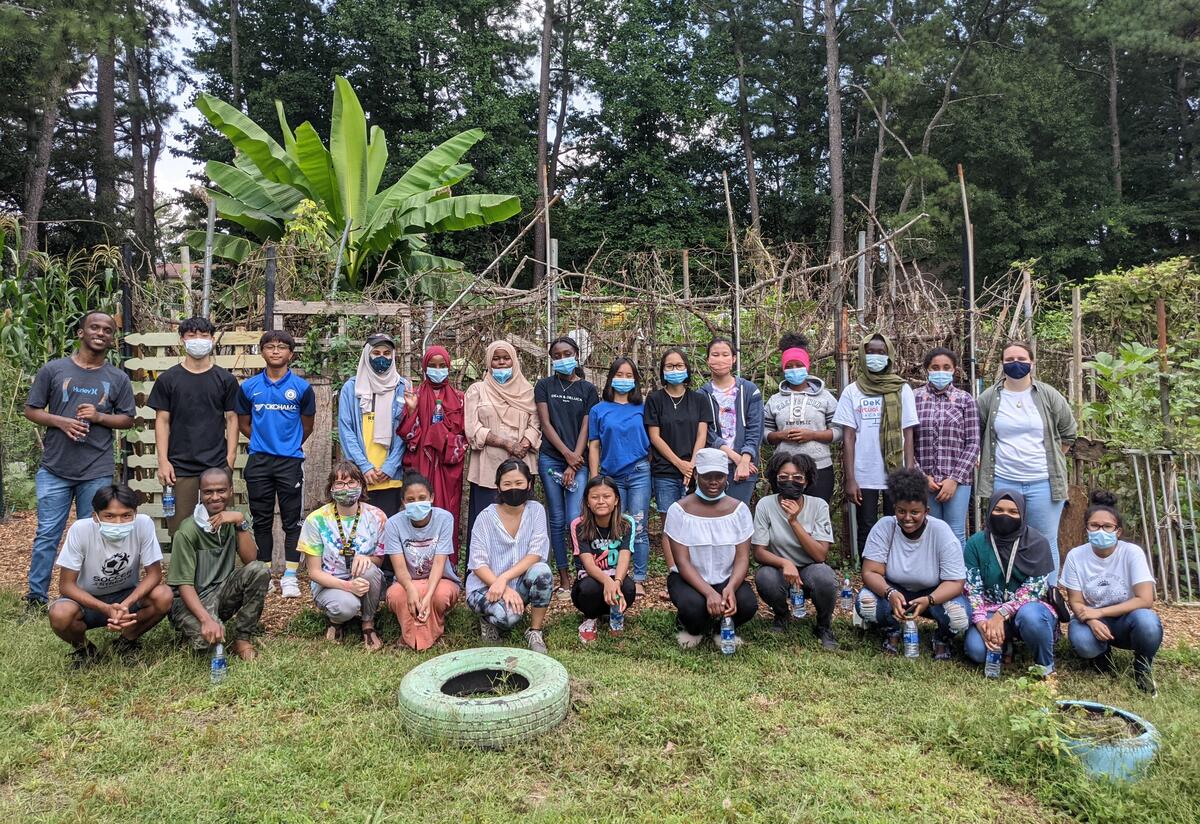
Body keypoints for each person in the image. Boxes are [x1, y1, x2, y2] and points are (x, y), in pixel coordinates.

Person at [23, 310, 135, 613]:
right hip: (55, 469)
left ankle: (86, 598)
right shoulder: (54, 370)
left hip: (96, 470)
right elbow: (31, 410)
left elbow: (127, 419)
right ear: (81, 333)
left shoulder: (117, 378)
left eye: (107, 330)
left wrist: (99, 417)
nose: (100, 333)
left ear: (112, 339)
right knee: (48, 533)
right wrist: (62, 422)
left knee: (94, 536)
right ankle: (36, 598)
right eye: (94, 327)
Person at [977, 341, 1076, 581]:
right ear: (1002, 364)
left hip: (1043, 481)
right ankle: (1006, 591)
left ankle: (1048, 595)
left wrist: (1050, 458)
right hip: (1003, 480)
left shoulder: (1048, 395)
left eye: (1021, 359)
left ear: (1032, 363)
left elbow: (1068, 431)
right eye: (1009, 360)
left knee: (1045, 538)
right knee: (1002, 536)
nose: (1015, 364)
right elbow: (978, 431)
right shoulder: (989, 397)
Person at [48, 484, 172, 666]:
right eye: (109, 516)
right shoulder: (80, 530)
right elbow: (66, 585)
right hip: (86, 601)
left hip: (126, 595)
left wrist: (125, 605)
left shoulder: (143, 524)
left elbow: (154, 574)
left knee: (164, 596)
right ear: (95, 517)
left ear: (135, 514)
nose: (118, 523)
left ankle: (126, 642)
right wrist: (105, 608)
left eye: (126, 515)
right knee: (60, 614)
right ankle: (85, 649)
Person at [235, 330, 316, 598]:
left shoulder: (302, 388)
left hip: (290, 461)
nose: (276, 351)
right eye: (270, 347)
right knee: (262, 520)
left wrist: (287, 444)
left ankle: (291, 575)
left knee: (292, 522)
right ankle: (266, 574)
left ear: (291, 354)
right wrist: (263, 441)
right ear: (262, 351)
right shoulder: (249, 387)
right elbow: (244, 423)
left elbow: (307, 426)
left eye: (282, 347)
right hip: (259, 461)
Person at [856, 468, 970, 657]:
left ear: (927, 511)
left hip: (933, 595)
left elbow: (956, 583)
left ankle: (942, 638)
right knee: (866, 602)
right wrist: (890, 593)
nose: (907, 518)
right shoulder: (885, 527)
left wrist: (929, 600)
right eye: (901, 511)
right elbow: (870, 572)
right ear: (895, 509)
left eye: (915, 512)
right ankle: (891, 631)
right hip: (894, 591)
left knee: (959, 616)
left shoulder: (942, 532)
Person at [1062, 491, 1162, 695]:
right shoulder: (1076, 556)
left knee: (1148, 622)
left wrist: (1100, 613)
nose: (1100, 531)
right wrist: (1091, 620)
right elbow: (1076, 602)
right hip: (1091, 620)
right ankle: (1102, 655)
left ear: (1118, 531)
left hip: (1127, 620)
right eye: (1094, 525)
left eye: (1107, 526)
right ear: (1086, 528)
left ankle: (1142, 666)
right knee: (1083, 642)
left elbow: (1145, 599)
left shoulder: (1131, 553)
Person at [148, 316, 240, 536]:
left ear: (212, 339)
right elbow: (162, 420)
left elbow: (232, 418)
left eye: (204, 335)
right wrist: (163, 461)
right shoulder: (168, 379)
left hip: (216, 464)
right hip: (179, 466)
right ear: (182, 340)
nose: (198, 340)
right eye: (192, 335)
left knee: (218, 527)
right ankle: (185, 571)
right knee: (181, 530)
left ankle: (217, 570)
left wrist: (230, 459)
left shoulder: (225, 379)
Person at [167, 467, 270, 660]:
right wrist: (206, 620)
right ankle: (191, 629)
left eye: (221, 491)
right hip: (190, 600)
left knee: (259, 570)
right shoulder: (187, 530)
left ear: (231, 491)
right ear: (200, 493)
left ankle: (242, 638)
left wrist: (240, 522)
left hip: (220, 593)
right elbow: (184, 585)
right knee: (211, 644)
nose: (215, 497)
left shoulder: (235, 520)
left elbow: (251, 560)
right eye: (208, 492)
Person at [663, 448, 757, 649]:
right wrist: (708, 593)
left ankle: (720, 627)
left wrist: (730, 587)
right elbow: (682, 562)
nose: (713, 482)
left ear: (727, 477)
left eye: (719, 476)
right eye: (707, 476)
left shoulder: (739, 511)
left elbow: (742, 558)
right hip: (689, 579)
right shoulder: (679, 510)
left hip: (725, 578)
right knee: (693, 609)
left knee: (747, 604)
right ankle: (691, 624)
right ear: (696, 475)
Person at [834, 333, 918, 554]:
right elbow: (848, 436)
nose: (875, 356)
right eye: (871, 351)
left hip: (896, 473)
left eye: (881, 352)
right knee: (867, 527)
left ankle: (896, 576)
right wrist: (851, 478)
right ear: (862, 355)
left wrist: (908, 474)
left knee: (898, 525)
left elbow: (908, 432)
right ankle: (869, 577)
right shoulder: (853, 391)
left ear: (889, 356)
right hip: (864, 472)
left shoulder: (902, 389)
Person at [962, 491, 1058, 678]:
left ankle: (1046, 667)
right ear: (989, 511)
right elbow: (973, 588)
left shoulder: (1038, 543)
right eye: (998, 509)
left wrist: (1001, 614)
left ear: (1023, 515)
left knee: (1032, 618)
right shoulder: (976, 543)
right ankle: (1005, 644)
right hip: (989, 609)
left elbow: (1033, 590)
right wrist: (982, 622)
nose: (1005, 516)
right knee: (976, 651)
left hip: (1029, 608)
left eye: (1013, 512)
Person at [751, 452, 839, 649]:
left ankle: (824, 625)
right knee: (764, 576)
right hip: (779, 570)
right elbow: (758, 552)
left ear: (807, 481)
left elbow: (820, 555)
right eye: (783, 477)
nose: (790, 481)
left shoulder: (818, 506)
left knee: (825, 577)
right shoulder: (766, 505)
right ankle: (782, 615)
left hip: (810, 569)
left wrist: (793, 521)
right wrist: (785, 563)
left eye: (798, 477)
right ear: (775, 478)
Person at [466, 459, 553, 652]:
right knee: (508, 618)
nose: (513, 488)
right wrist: (500, 586)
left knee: (543, 571)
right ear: (498, 487)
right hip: (484, 587)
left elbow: (536, 553)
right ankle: (487, 621)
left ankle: (535, 631)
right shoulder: (485, 518)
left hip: (515, 585)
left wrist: (504, 579)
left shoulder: (536, 510)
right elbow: (477, 563)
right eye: (507, 484)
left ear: (529, 484)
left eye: (519, 483)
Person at [298, 461, 387, 651]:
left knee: (370, 569)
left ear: (362, 485)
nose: (346, 488)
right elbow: (313, 572)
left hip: (364, 580)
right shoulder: (316, 520)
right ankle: (335, 621)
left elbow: (379, 560)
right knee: (346, 607)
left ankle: (368, 624)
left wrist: (367, 559)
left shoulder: (377, 516)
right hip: (329, 583)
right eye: (339, 483)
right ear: (331, 488)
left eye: (352, 482)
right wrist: (348, 586)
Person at [535, 336, 599, 594]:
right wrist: (566, 455)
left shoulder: (587, 389)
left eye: (567, 353)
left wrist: (574, 462)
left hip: (579, 461)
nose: (563, 359)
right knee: (557, 518)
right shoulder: (544, 386)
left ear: (577, 354)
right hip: (551, 458)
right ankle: (562, 576)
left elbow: (587, 426)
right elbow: (545, 424)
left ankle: (581, 570)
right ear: (552, 360)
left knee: (575, 518)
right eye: (557, 355)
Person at [645, 347, 713, 583]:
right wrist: (679, 464)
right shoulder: (654, 400)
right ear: (663, 371)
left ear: (687, 369)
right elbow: (655, 437)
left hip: (696, 472)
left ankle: (697, 573)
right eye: (670, 366)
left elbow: (701, 434)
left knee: (695, 523)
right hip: (665, 471)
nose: (675, 370)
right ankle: (675, 573)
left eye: (679, 366)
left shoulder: (699, 399)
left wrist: (692, 465)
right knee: (669, 524)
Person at [397, 345, 467, 564]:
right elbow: (408, 437)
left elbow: (465, 436)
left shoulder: (460, 398)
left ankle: (448, 566)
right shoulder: (413, 395)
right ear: (425, 367)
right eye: (432, 366)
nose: (438, 370)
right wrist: (411, 412)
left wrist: (443, 439)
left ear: (448, 367)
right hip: (420, 466)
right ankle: (417, 565)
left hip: (448, 470)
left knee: (448, 513)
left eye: (442, 366)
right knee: (418, 511)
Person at [464, 340, 541, 540]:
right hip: (487, 468)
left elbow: (536, 423)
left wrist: (524, 444)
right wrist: (507, 444)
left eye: (506, 358)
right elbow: (472, 429)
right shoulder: (477, 390)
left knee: (522, 525)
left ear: (514, 361)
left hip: (521, 466)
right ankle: (483, 569)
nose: (501, 363)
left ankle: (524, 569)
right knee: (486, 526)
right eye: (496, 359)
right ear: (489, 362)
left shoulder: (528, 391)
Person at [588, 357, 652, 597]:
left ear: (635, 380)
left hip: (638, 473)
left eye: (629, 376)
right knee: (617, 526)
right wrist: (595, 479)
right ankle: (615, 574)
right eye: (620, 375)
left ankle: (639, 578)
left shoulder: (643, 408)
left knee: (640, 525)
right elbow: (594, 445)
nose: (624, 380)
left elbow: (653, 440)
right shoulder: (598, 409)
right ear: (610, 379)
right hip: (610, 477)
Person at [383, 472, 462, 651]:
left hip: (441, 579)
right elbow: (400, 568)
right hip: (407, 581)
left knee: (438, 596)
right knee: (397, 595)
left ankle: (417, 637)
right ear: (403, 502)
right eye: (410, 500)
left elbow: (439, 563)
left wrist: (427, 596)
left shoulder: (444, 518)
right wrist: (410, 589)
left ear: (432, 497)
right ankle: (421, 637)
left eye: (422, 498)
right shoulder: (393, 524)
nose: (416, 503)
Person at [336, 333, 409, 518]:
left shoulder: (403, 386)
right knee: (358, 531)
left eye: (387, 353)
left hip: (390, 477)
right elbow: (346, 430)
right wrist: (364, 467)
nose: (382, 357)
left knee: (386, 531)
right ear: (367, 355)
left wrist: (391, 466)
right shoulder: (351, 388)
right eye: (376, 352)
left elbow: (405, 430)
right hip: (359, 476)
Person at [762, 333, 841, 503]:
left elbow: (838, 431)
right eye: (789, 366)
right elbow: (765, 433)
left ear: (807, 366)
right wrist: (780, 435)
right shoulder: (774, 401)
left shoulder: (825, 398)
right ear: (783, 369)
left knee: (817, 514)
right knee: (786, 516)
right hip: (784, 472)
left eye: (798, 365)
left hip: (820, 468)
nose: (794, 369)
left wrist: (812, 435)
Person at [913, 347, 979, 547]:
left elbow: (973, 442)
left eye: (946, 367)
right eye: (935, 367)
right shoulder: (913, 398)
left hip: (957, 482)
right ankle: (931, 578)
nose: (940, 371)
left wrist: (954, 479)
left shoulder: (965, 400)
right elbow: (905, 441)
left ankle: (957, 578)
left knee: (955, 532)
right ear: (927, 370)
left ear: (954, 370)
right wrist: (921, 476)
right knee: (928, 531)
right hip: (924, 481)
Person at [569, 475, 637, 642]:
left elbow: (624, 557)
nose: (600, 501)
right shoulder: (578, 525)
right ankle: (590, 618)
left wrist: (617, 582)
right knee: (589, 589)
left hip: (616, 577)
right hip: (591, 578)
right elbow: (588, 564)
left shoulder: (626, 523)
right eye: (594, 497)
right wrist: (607, 581)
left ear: (616, 500)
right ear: (587, 501)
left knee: (628, 588)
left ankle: (615, 615)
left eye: (606, 496)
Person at [699, 338, 763, 505]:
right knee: (713, 516)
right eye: (715, 355)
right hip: (713, 466)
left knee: (737, 514)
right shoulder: (701, 395)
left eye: (725, 354)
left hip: (745, 467)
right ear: (708, 360)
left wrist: (745, 459)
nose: (720, 359)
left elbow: (755, 428)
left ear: (734, 359)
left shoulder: (750, 390)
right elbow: (707, 433)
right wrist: (736, 458)